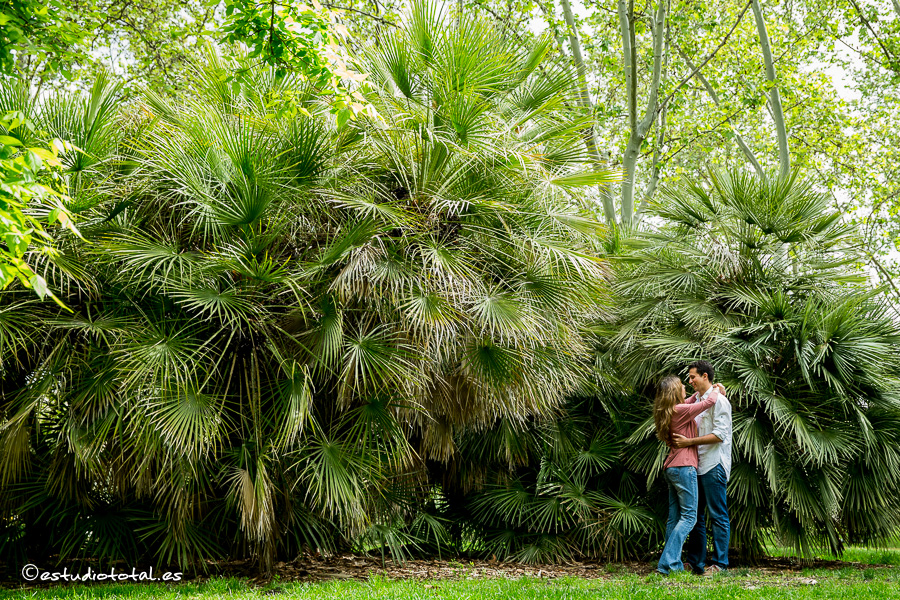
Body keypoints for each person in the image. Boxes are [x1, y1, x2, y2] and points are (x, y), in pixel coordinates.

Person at [653, 375, 725, 576]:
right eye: (681, 385)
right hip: (684, 468)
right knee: (689, 518)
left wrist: (699, 392)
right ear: (675, 391)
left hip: (672, 468)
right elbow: (708, 402)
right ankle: (666, 564)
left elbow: (692, 400)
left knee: (674, 518)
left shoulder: (669, 410)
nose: (685, 385)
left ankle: (671, 564)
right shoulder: (680, 410)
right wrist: (716, 389)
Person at [673, 360, 732, 576]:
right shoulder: (697, 401)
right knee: (695, 516)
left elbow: (719, 435)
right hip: (695, 465)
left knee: (717, 515)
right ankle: (695, 562)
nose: (690, 381)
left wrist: (688, 442)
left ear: (705, 376)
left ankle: (720, 564)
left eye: (693, 377)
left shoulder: (720, 401)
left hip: (714, 464)